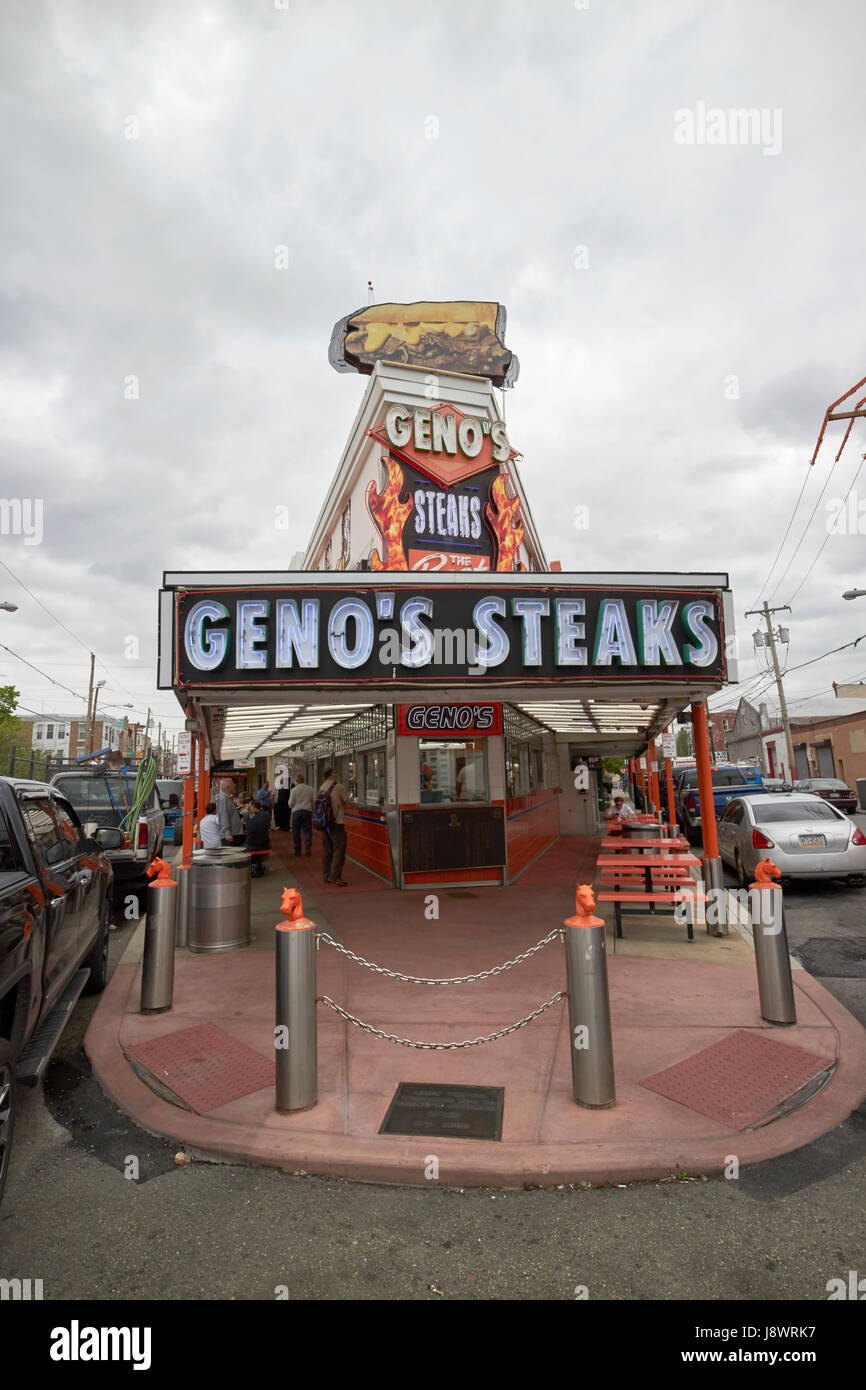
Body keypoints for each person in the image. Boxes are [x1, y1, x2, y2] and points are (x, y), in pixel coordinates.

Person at [318, 766, 349, 886]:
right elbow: (346, 801)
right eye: (334, 772)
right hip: (337, 822)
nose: (336, 774)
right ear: (330, 775)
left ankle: (326, 876)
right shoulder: (338, 786)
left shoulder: (322, 787)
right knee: (339, 848)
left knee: (327, 850)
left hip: (325, 823)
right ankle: (335, 876)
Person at [243, 799, 271, 876]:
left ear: (252, 806)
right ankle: (257, 865)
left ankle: (254, 865)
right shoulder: (266, 815)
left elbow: (243, 823)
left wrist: (248, 811)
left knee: (242, 845)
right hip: (265, 845)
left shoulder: (247, 816)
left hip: (251, 845)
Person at [288, 773, 314, 856]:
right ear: (304, 780)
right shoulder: (310, 789)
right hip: (307, 811)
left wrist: (293, 805)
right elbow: (314, 800)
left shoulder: (294, 790)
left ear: (296, 781)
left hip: (297, 812)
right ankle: (307, 841)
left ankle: (298, 850)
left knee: (296, 831)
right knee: (307, 829)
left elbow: (290, 803)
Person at [216, 781, 245, 846]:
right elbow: (224, 816)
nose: (235, 785)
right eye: (233, 784)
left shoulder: (228, 798)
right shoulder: (223, 799)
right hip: (230, 836)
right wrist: (227, 833)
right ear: (228, 787)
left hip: (235, 833)